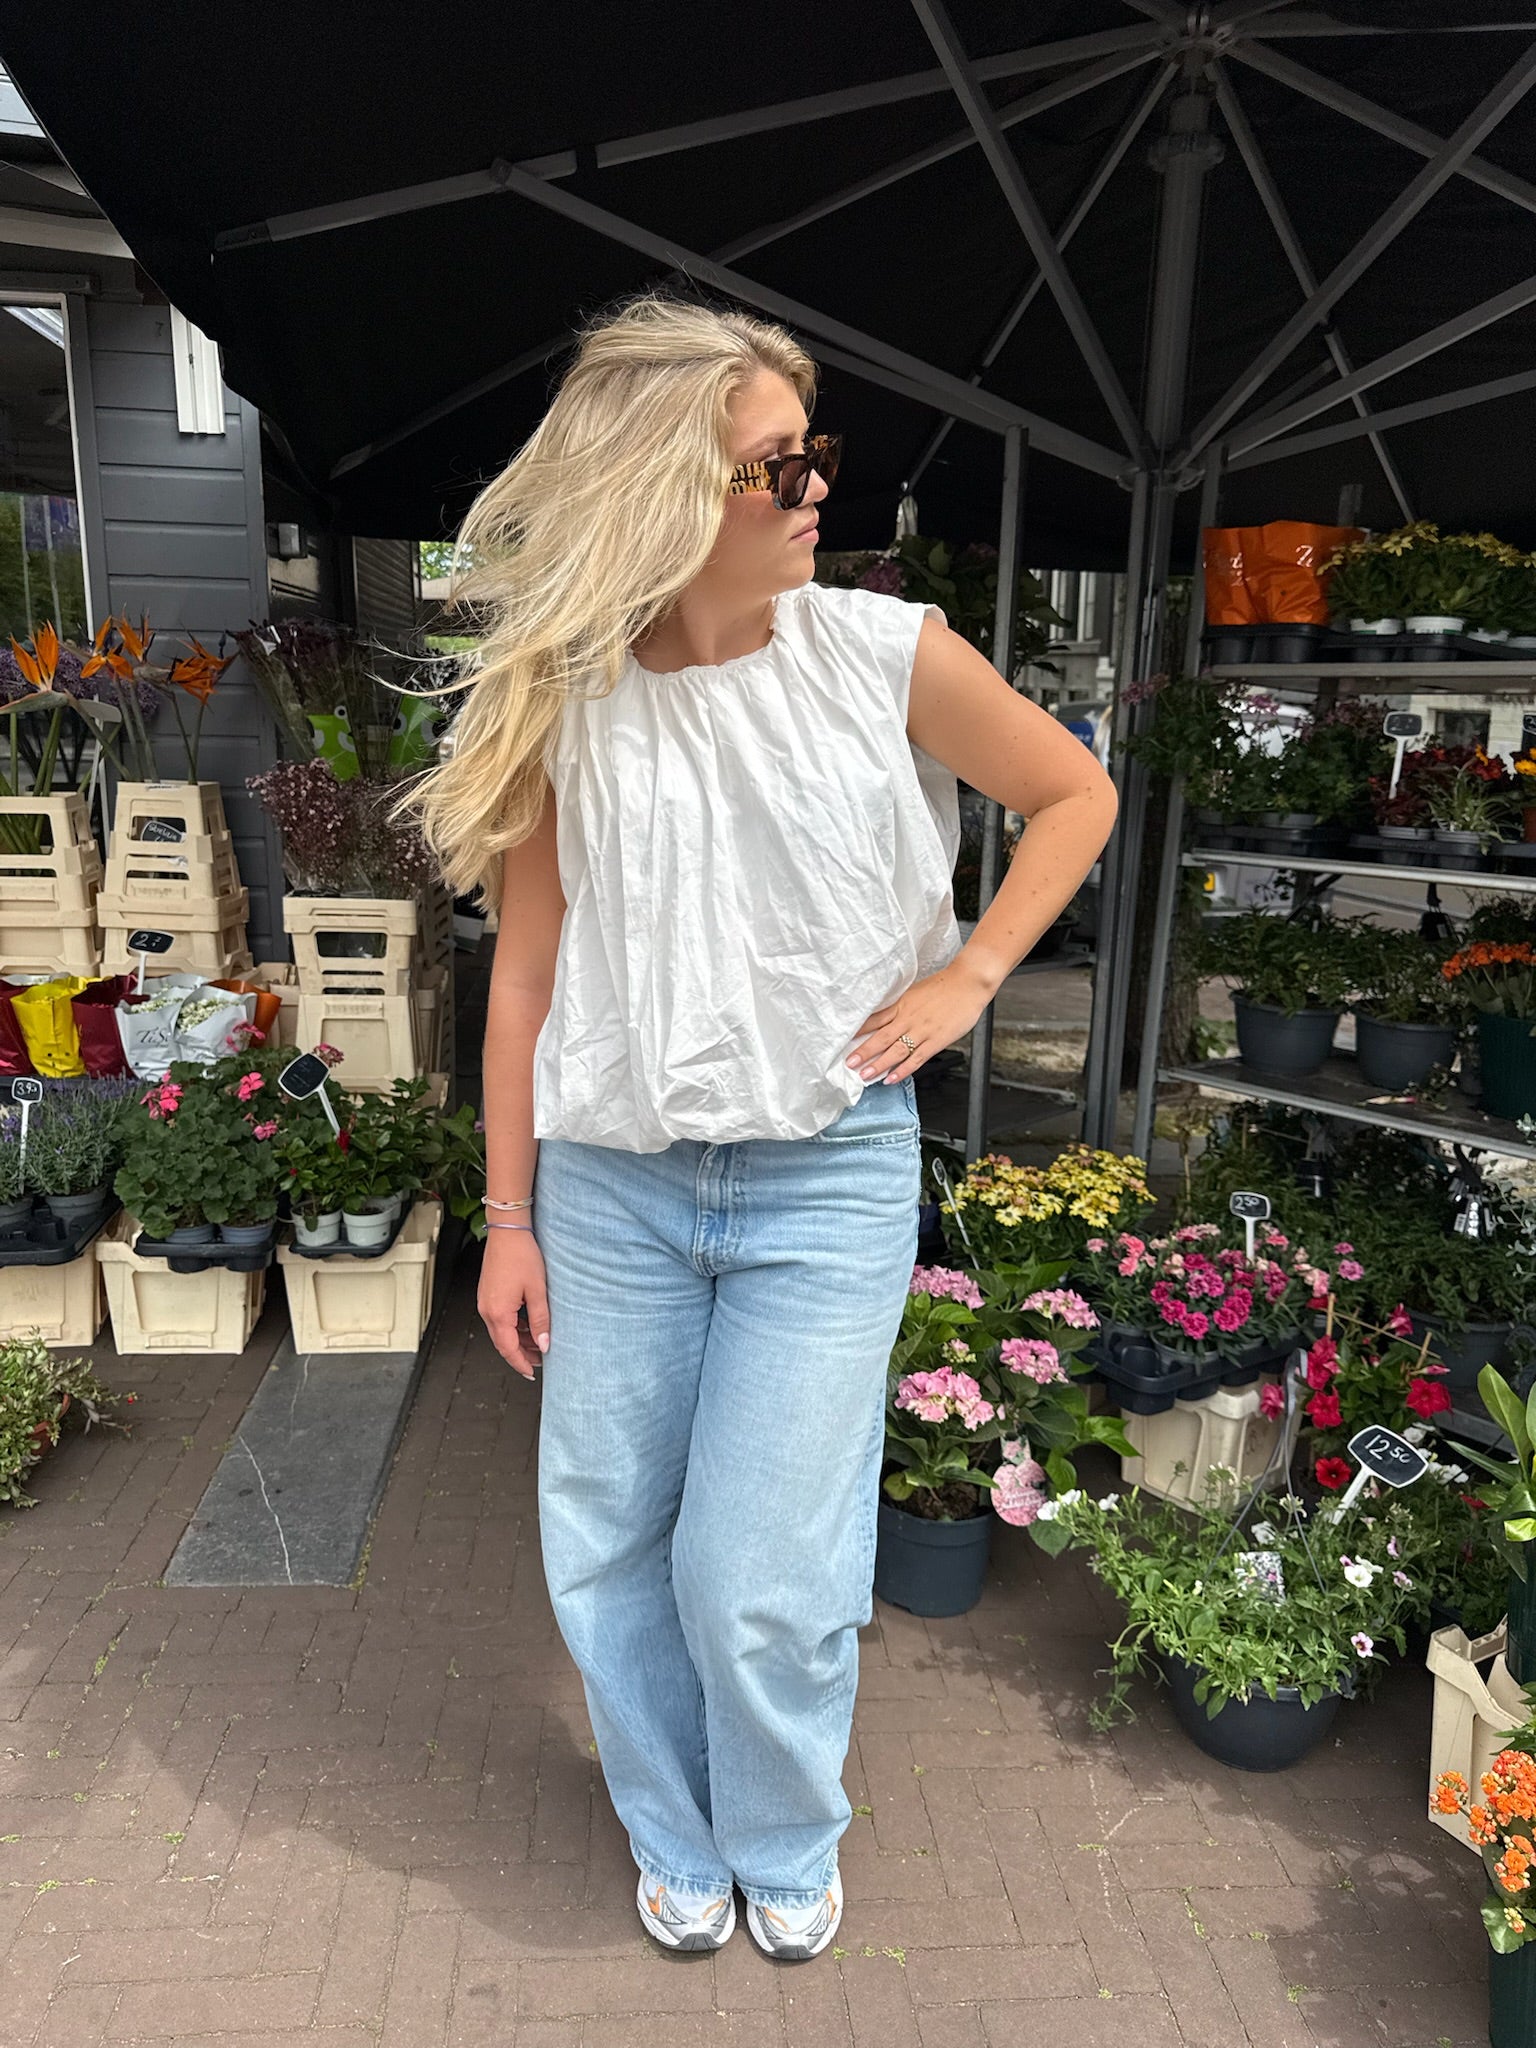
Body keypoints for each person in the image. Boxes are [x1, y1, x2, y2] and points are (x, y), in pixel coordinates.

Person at [407, 293, 1117, 1962]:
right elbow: (524, 985)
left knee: (762, 1570)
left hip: (827, 1172)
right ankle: (674, 1829)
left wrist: (976, 972)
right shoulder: (566, 703)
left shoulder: (884, 655)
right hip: (612, 1188)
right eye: (773, 466)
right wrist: (505, 1219)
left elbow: (1073, 791)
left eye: (815, 455)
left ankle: (785, 1830)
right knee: (609, 1545)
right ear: (663, 488)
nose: (814, 492)